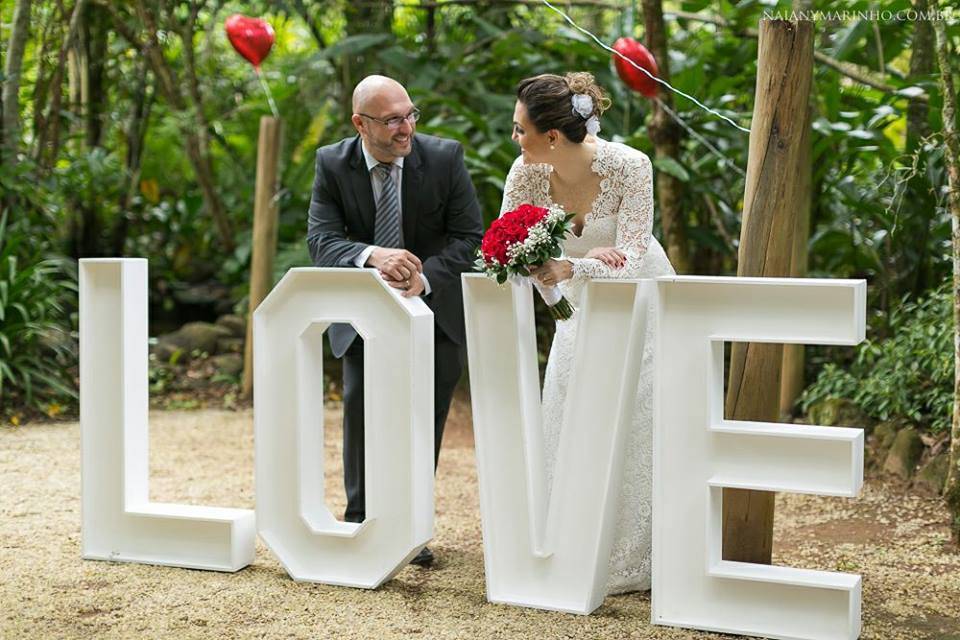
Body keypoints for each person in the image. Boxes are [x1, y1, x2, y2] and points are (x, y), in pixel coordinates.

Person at [500, 72, 675, 593]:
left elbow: (635, 251)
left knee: (638, 420)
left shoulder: (630, 166)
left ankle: (636, 556)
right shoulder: (525, 173)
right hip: (577, 309)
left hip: (640, 303)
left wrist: (577, 268)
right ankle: (572, 542)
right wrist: (548, 262)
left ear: (553, 136)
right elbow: (509, 244)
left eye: (519, 129)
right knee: (566, 404)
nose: (514, 139)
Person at [307, 75, 484, 567]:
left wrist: (422, 277)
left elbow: (470, 236)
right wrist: (371, 255)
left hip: (435, 312)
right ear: (360, 124)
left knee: (423, 421)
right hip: (363, 319)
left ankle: (409, 528)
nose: (406, 127)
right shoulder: (331, 163)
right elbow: (321, 241)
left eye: (410, 115)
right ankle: (360, 524)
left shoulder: (445, 157)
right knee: (362, 416)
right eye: (392, 120)